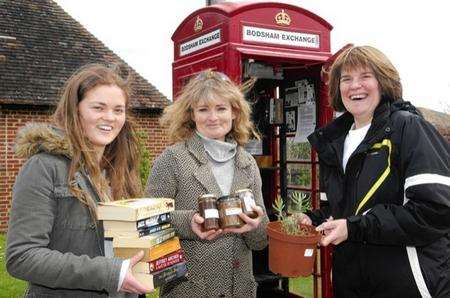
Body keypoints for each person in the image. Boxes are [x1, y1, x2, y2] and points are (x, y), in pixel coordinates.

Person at [302, 45, 450, 297]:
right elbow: (344, 209)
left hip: (408, 284)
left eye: (365, 77)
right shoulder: (335, 142)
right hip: (351, 282)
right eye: (346, 79)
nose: (354, 86)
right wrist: (313, 220)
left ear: (383, 82)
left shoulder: (410, 128)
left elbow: (435, 210)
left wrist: (355, 227)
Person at [6, 64, 154, 297]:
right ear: (75, 110)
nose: (110, 118)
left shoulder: (118, 170)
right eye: (98, 107)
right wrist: (110, 273)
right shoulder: (44, 167)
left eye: (118, 110)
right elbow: (22, 256)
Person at [146, 69, 269, 297]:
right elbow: (147, 224)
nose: (213, 117)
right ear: (192, 114)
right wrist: (189, 222)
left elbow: (260, 241)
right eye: (203, 109)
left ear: (234, 112)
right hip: (188, 290)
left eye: (221, 108)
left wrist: (256, 225)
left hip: (240, 290)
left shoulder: (248, 163)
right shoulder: (172, 159)